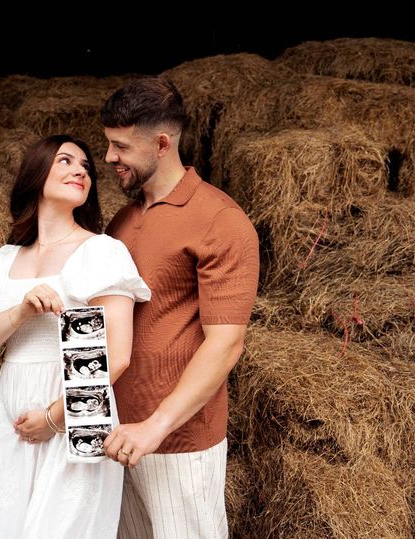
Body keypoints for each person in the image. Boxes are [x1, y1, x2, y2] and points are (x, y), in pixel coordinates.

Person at [0, 134, 151, 538]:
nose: (80, 171)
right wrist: (21, 311)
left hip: (76, 407)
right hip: (15, 409)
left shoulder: (102, 250)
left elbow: (116, 355)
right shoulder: (7, 258)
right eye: (65, 161)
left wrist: (53, 418)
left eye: (85, 166)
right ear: (36, 173)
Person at [99, 77, 260, 538]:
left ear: (162, 144)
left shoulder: (220, 221)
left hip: (178, 441)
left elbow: (226, 345)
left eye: (121, 146)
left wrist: (156, 426)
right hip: (115, 435)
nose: (108, 157)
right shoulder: (122, 221)